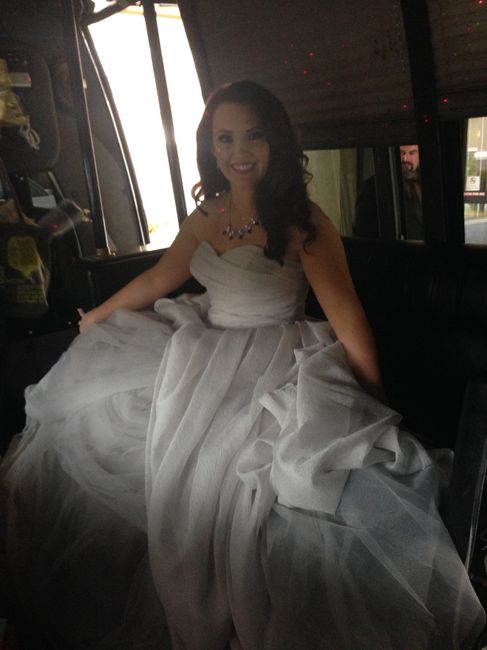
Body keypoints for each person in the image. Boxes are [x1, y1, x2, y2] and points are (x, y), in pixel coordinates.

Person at [0, 81, 484, 650]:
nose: (239, 151)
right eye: (224, 138)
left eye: (253, 135)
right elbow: (161, 277)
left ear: (275, 140)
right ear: (210, 146)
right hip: (199, 348)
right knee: (92, 438)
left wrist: (375, 404)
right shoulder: (206, 215)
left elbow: (349, 319)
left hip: (275, 356)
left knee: (254, 490)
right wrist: (97, 315)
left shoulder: (304, 222)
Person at [354, 143, 423, 239]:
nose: (405, 158)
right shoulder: (373, 186)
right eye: (401, 153)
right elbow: (363, 230)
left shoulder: (427, 183)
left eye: (412, 153)